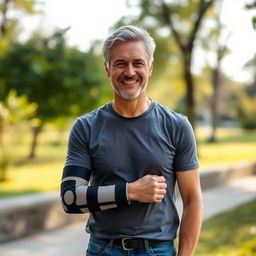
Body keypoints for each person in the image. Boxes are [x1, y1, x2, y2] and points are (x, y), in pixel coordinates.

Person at [60, 25, 203, 256]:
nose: (129, 72)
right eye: (120, 63)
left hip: (159, 250)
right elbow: (70, 198)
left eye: (137, 63)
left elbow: (193, 200)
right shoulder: (86, 127)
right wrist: (131, 191)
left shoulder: (176, 126)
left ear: (150, 67)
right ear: (107, 69)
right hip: (103, 250)